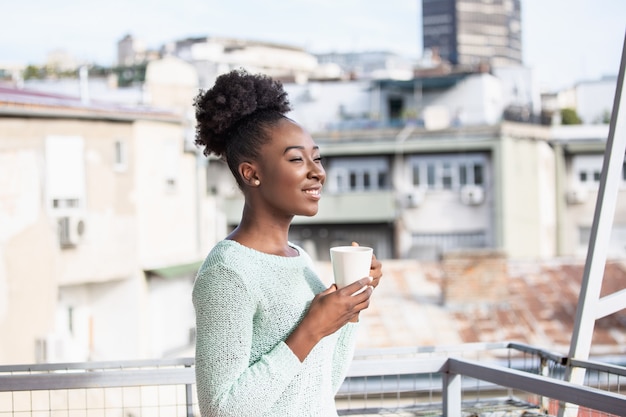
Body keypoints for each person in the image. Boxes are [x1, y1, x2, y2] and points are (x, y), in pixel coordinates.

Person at [191, 68, 383, 417]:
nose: (317, 171)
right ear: (252, 173)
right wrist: (310, 329)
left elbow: (320, 385)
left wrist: (350, 306)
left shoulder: (300, 259)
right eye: (297, 159)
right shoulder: (227, 273)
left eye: (317, 158)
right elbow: (221, 411)